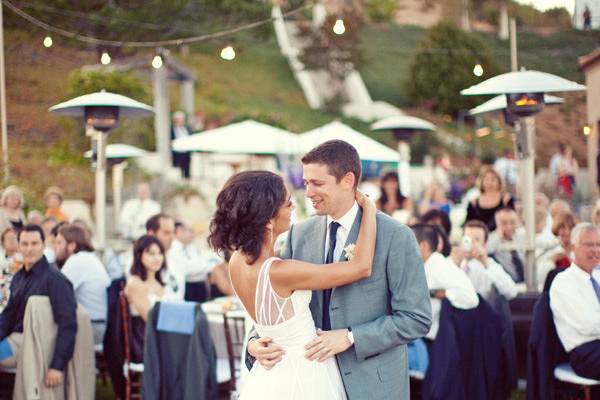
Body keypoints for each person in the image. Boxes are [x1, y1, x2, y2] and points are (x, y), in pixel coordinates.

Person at [243, 140, 431, 399]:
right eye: (306, 183)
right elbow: (277, 301)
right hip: (311, 384)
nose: (308, 193)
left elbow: (416, 318)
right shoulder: (299, 234)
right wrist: (254, 343)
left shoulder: (395, 236)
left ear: (347, 180)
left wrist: (351, 337)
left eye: (317, 183)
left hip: (373, 386)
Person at [209, 170, 376, 399]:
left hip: (269, 374)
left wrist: (252, 344)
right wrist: (369, 210)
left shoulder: (237, 261)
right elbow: (361, 267)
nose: (294, 208)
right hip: (305, 371)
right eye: (288, 204)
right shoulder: (282, 272)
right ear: (268, 218)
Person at [0, 225, 77, 388]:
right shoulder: (18, 277)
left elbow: (68, 324)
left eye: (34, 243)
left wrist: (57, 365)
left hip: (34, 345)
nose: (29, 249)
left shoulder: (55, 280)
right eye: (25, 244)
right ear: (19, 246)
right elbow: (7, 317)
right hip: (14, 340)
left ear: (43, 245)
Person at [550, 223, 600, 381]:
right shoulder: (564, 282)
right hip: (585, 352)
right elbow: (587, 325)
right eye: (589, 245)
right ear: (573, 247)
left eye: (598, 244)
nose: (595, 250)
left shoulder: (598, 276)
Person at [411, 223, 478, 342]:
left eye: (408, 243)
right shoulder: (423, 265)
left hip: (435, 340)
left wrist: (441, 293)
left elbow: (471, 298)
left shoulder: (441, 266)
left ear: (423, 246)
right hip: (420, 335)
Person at [124, 235, 179, 362]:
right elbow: (152, 319)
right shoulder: (135, 283)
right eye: (151, 253)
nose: (157, 258)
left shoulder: (160, 283)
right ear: (139, 255)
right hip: (146, 342)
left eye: (160, 253)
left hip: (164, 337)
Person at [54, 224, 110, 346]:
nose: (55, 247)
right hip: (98, 325)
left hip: (93, 327)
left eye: (59, 243)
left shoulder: (77, 261)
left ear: (72, 245)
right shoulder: (88, 258)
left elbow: (55, 293)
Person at [455, 220, 518, 301]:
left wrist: (486, 264)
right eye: (467, 240)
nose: (471, 244)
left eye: (476, 240)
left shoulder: (489, 265)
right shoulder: (453, 261)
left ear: (485, 244)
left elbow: (511, 292)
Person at [172, 221, 220, 302]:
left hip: (200, 285)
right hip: (188, 287)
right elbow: (189, 269)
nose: (193, 234)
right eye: (190, 231)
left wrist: (205, 266)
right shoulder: (174, 248)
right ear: (179, 231)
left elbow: (201, 263)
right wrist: (209, 266)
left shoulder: (190, 247)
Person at [146, 214, 185, 300]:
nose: (172, 237)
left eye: (173, 232)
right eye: (167, 233)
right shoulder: (141, 264)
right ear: (151, 234)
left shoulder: (177, 258)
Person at [465, 166, 514, 232]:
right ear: (482, 181)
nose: (489, 183)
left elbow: (513, 222)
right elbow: (468, 225)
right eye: (486, 179)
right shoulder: (473, 203)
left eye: (493, 179)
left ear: (499, 181)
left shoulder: (506, 200)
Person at [486, 208, 526, 283]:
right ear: (497, 223)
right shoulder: (491, 239)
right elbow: (485, 250)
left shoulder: (521, 237)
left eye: (512, 222)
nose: (509, 227)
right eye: (504, 223)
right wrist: (498, 236)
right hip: (507, 283)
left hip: (526, 282)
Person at [170, 111, 192, 178]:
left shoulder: (187, 128)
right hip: (177, 152)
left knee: (187, 169)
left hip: (186, 152)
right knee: (178, 170)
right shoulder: (171, 129)